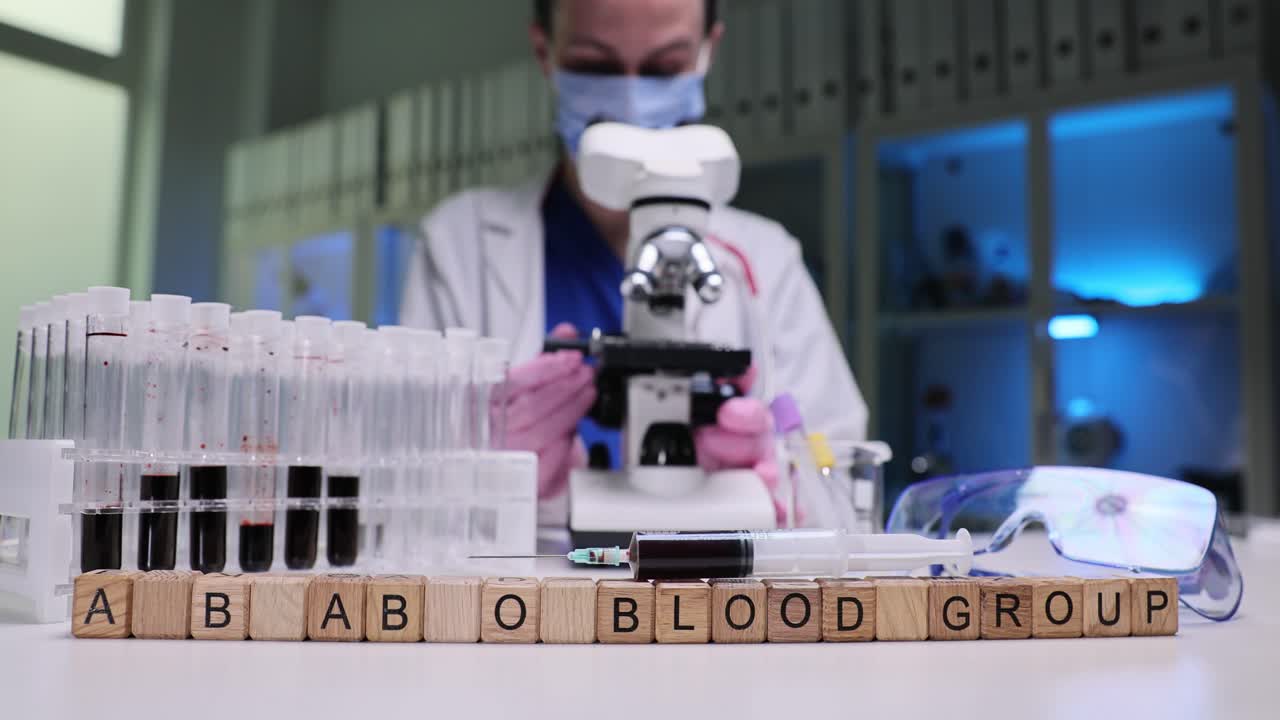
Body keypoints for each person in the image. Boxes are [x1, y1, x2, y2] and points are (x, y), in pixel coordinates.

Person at [400, 0, 866, 523]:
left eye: (664, 68)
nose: (630, 98)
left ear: (708, 51)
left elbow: (849, 494)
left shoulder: (764, 261)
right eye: (595, 65)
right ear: (544, 52)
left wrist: (779, 485)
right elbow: (393, 494)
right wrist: (484, 471)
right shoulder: (463, 245)